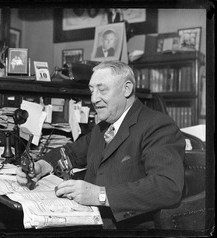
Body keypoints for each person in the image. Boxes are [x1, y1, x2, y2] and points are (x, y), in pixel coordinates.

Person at [16, 60, 186, 229]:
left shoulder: (157, 125)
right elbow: (71, 153)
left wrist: (99, 195)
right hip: (88, 221)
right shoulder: (103, 127)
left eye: (102, 90)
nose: (94, 99)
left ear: (126, 89)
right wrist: (41, 166)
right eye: (92, 91)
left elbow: (168, 187)